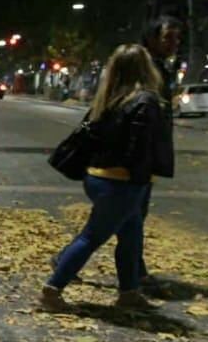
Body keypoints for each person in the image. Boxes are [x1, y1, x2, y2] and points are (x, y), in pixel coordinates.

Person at [41, 45, 171, 313]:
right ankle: (52, 291)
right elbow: (140, 148)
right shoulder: (145, 101)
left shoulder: (109, 98)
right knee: (92, 236)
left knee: (131, 235)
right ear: (146, 68)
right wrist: (141, 180)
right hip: (123, 181)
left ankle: (129, 292)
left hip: (99, 177)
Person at [136, 16, 180, 288]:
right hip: (138, 154)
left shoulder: (160, 67)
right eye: (168, 37)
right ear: (152, 38)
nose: (174, 43)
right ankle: (135, 273)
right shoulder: (143, 67)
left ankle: (135, 272)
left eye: (177, 38)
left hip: (147, 153)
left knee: (122, 215)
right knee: (126, 215)